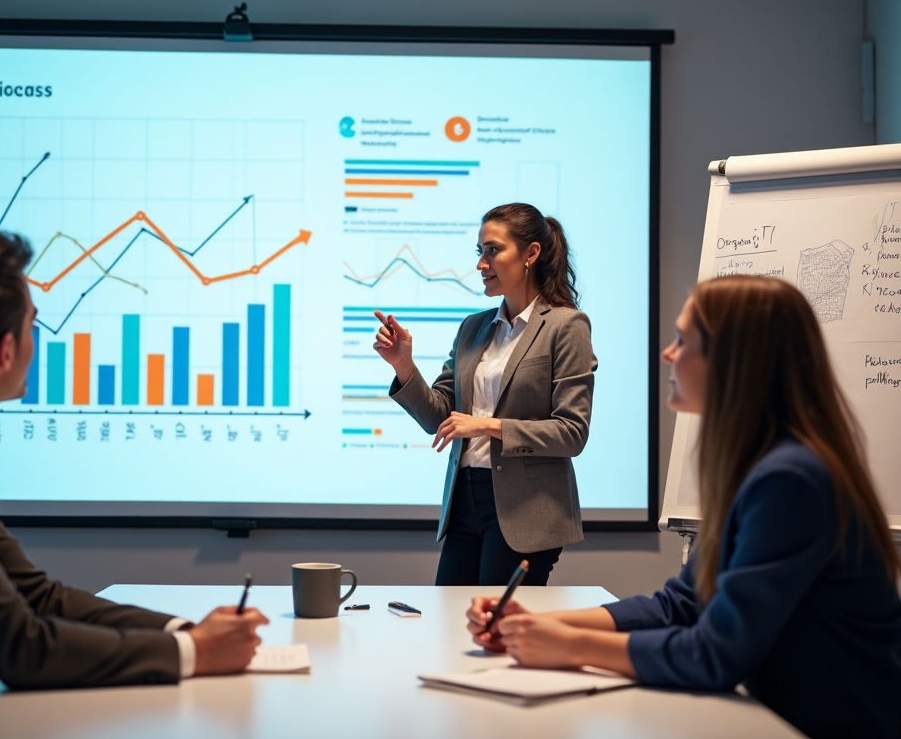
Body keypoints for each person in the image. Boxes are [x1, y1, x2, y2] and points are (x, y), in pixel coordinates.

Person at [465, 275, 901, 739]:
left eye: (682, 341)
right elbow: (683, 604)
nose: (667, 354)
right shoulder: (766, 465)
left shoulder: (790, 480)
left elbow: (714, 654)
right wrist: (536, 625)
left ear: (735, 361)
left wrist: (568, 646)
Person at [0, 231, 269, 724]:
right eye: (33, 325)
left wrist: (185, 632)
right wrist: (193, 654)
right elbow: (18, 646)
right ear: (4, 350)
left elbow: (36, 595)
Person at [374, 203, 597, 586]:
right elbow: (439, 419)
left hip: (525, 509)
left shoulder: (565, 326)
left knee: (496, 635)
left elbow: (572, 433)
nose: (481, 263)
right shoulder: (473, 328)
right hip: (464, 501)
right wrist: (403, 366)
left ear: (531, 254)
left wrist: (487, 426)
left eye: (493, 250)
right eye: (480, 252)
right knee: (449, 623)